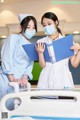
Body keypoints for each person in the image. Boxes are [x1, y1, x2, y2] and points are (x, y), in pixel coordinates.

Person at [0, 14, 37, 109]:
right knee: (4, 109)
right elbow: (6, 57)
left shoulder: (31, 45)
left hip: (20, 82)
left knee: (16, 109)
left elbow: (30, 64)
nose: (31, 30)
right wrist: (12, 78)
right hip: (6, 80)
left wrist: (25, 77)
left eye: (33, 27)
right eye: (28, 27)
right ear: (21, 27)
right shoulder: (13, 38)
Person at [35, 12, 80, 90]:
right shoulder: (41, 42)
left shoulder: (67, 41)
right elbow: (43, 65)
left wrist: (79, 50)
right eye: (44, 25)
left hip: (63, 80)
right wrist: (40, 53)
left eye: (49, 24)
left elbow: (74, 64)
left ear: (56, 22)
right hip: (46, 80)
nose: (46, 27)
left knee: (63, 100)